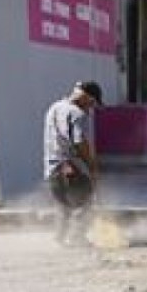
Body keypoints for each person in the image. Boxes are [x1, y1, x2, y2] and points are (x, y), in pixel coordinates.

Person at [42, 81, 102, 247]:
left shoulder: (54, 107)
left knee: (63, 206)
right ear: (85, 96)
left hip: (52, 169)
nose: (90, 108)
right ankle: (78, 238)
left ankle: (59, 239)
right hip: (72, 169)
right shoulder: (77, 114)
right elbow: (79, 142)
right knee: (84, 204)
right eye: (91, 102)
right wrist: (92, 166)